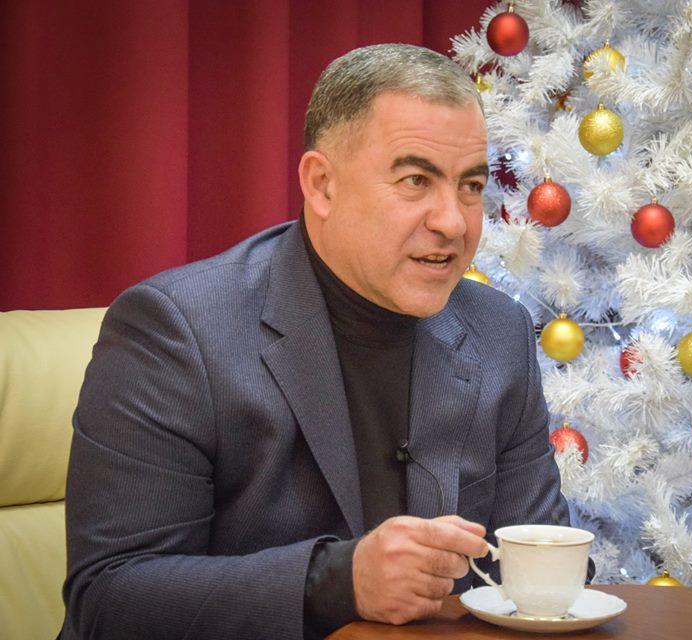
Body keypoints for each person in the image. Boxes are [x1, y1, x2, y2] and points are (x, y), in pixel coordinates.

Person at [60, 43, 570, 640]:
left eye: (471, 185)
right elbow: (111, 599)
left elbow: (540, 565)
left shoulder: (498, 332)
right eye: (415, 180)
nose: (453, 222)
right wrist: (338, 580)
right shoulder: (177, 330)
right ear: (321, 185)